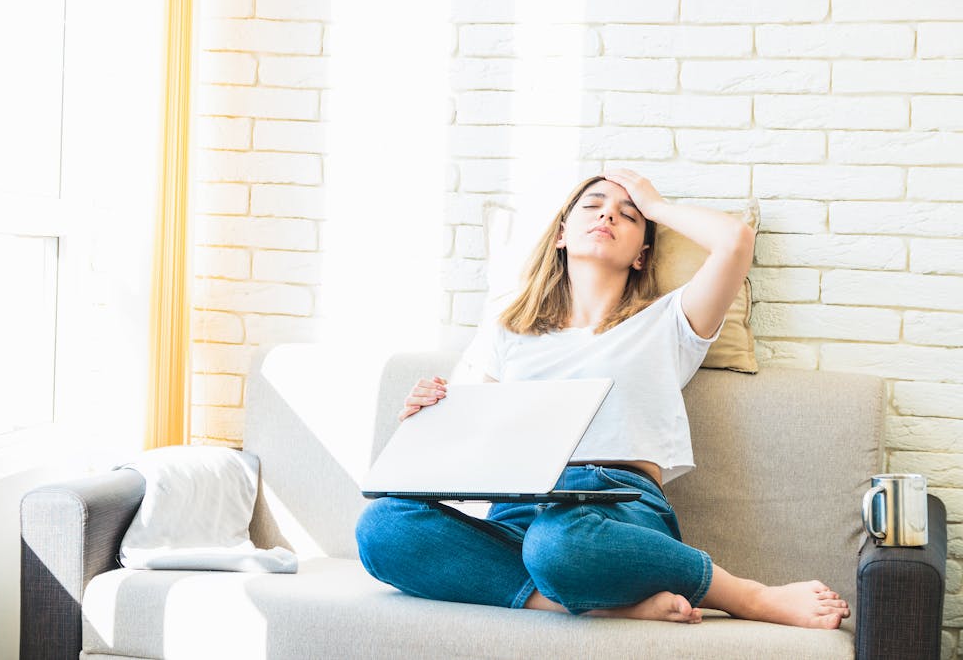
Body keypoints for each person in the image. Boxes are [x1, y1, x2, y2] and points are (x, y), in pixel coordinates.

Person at [354, 168, 851, 628]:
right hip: (519, 511)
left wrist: (653, 203)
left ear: (641, 253)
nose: (609, 214)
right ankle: (587, 604)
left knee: (558, 546)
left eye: (627, 213)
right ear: (562, 236)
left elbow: (735, 241)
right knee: (382, 527)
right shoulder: (508, 329)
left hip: (612, 509)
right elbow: (468, 450)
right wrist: (430, 418)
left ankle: (746, 595)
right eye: (592, 206)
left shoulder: (668, 322)